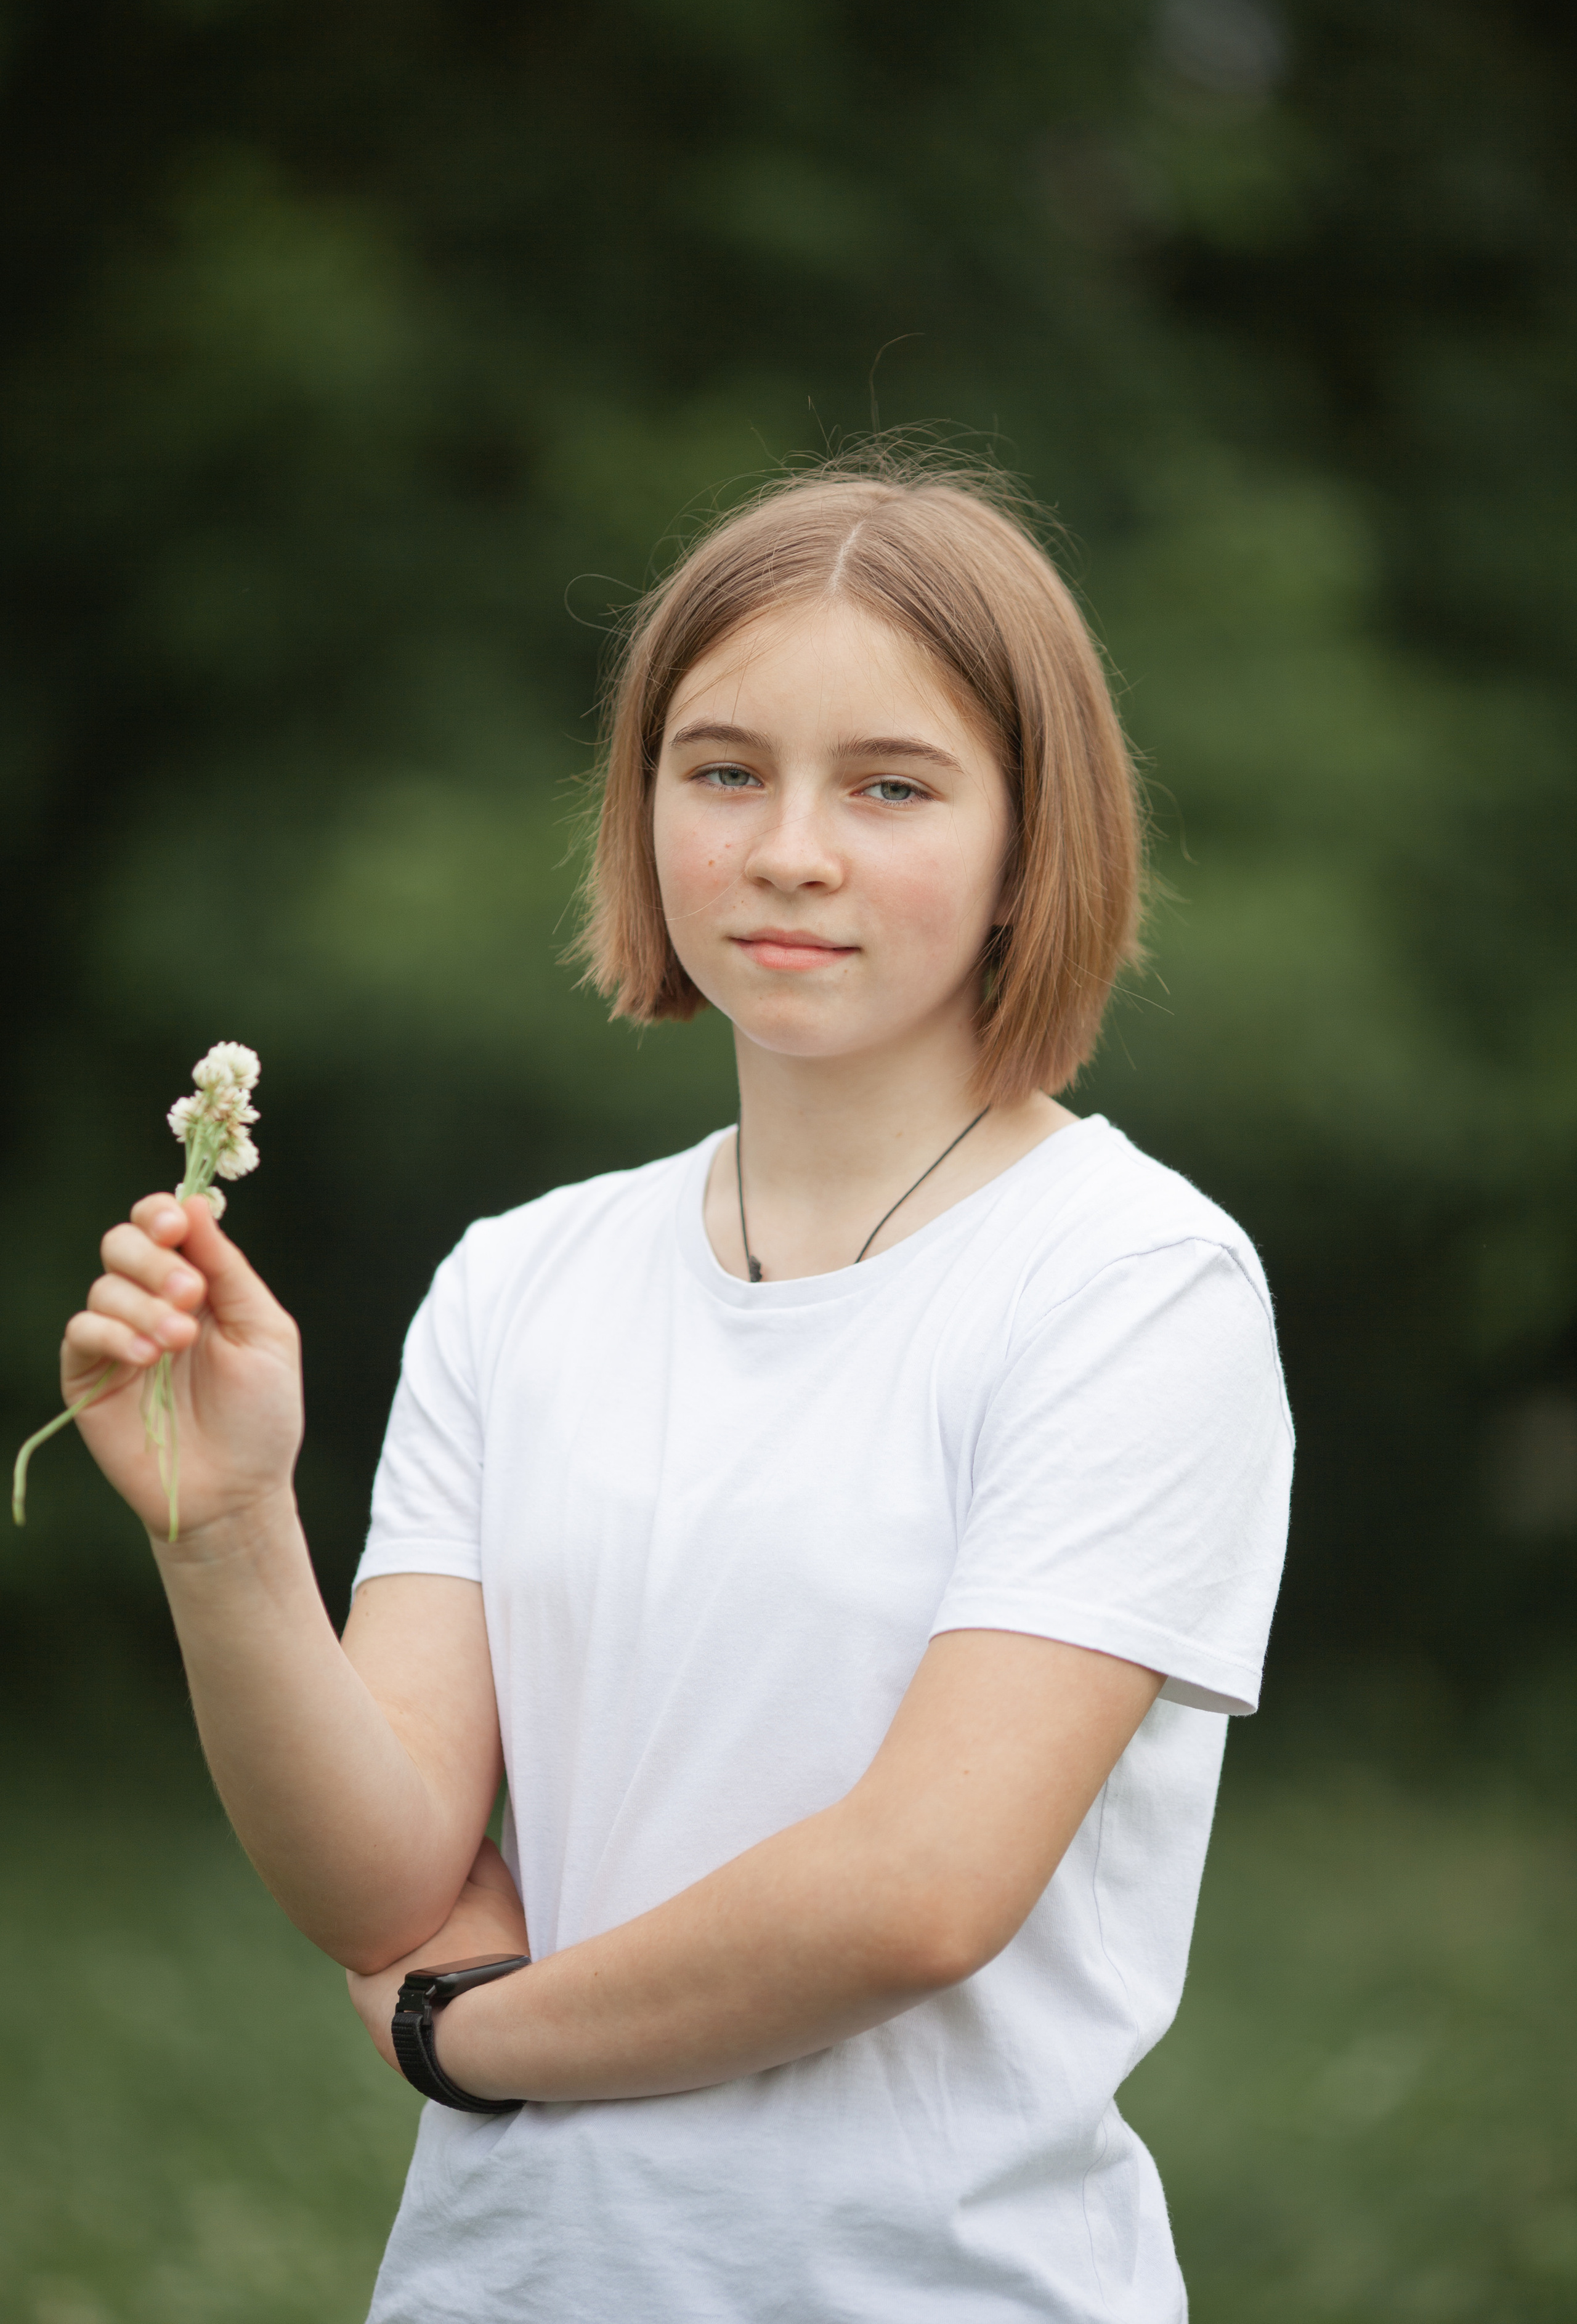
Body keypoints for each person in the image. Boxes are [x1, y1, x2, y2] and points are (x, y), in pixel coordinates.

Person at [65, 454, 1291, 2322]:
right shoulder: (522, 1278)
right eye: (724, 771)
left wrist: (464, 2041)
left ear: (1037, 840)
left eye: (890, 785)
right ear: (645, 810)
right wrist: (229, 1530)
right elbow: (384, 1881)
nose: (790, 847)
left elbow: (917, 1894)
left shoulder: (1131, 1285)